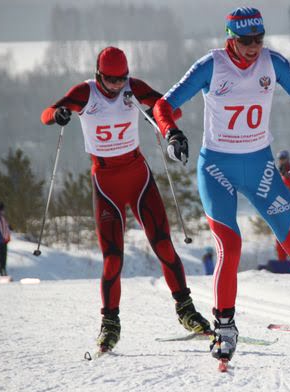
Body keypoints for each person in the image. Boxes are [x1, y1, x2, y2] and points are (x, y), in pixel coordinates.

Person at [153, 7, 290, 362]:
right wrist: (172, 133)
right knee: (230, 246)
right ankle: (224, 327)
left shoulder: (272, 63)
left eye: (259, 39)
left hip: (260, 166)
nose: (253, 47)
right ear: (230, 39)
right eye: (246, 40)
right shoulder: (211, 65)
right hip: (216, 168)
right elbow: (163, 105)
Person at [40, 46, 210, 353]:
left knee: (164, 245)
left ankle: (186, 311)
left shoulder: (134, 88)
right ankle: (110, 324)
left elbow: (170, 109)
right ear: (98, 75)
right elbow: (47, 114)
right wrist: (59, 114)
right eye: (111, 80)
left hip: (138, 177)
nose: (117, 86)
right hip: (106, 183)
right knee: (113, 258)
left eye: (122, 79)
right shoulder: (85, 93)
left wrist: (159, 115)